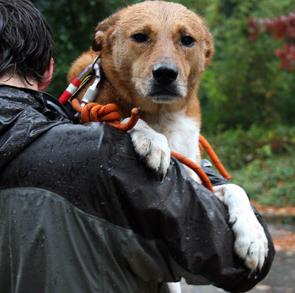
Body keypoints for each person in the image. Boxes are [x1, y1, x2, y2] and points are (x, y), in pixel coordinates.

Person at [0, 1, 274, 293]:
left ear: (205, 53)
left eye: (186, 41)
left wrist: (223, 188)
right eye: (142, 38)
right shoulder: (100, 152)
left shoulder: (48, 130)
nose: (165, 63)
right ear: (47, 70)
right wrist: (207, 174)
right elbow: (230, 261)